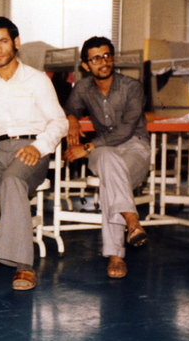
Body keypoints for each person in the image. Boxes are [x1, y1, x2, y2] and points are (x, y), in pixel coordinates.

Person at [0, 17, 68, 291]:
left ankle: (23, 265)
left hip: (31, 148)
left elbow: (59, 122)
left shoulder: (37, 79)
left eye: (3, 41)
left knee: (12, 181)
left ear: (16, 42)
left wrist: (38, 147)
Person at [64, 36, 150, 279]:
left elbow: (126, 129)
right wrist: (71, 118)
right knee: (109, 163)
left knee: (110, 180)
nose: (103, 62)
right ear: (85, 65)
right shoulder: (82, 88)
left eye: (106, 56)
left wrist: (87, 147)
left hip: (135, 146)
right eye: (95, 59)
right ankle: (132, 221)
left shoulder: (132, 87)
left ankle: (115, 256)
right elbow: (69, 108)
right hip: (104, 150)